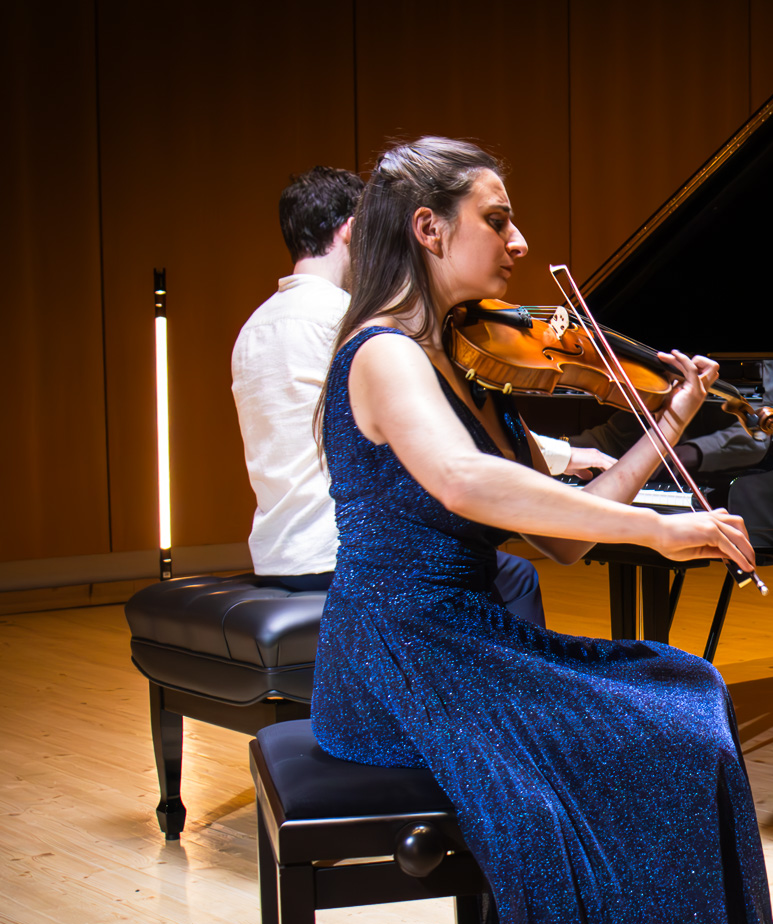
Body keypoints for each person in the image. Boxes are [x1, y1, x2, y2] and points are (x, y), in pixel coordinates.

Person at [310, 136, 773, 924]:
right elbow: (464, 484)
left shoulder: (459, 357)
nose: (520, 241)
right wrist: (665, 533)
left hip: (462, 635)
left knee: (685, 692)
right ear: (429, 228)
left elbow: (567, 534)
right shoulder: (385, 353)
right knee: (647, 745)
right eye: (497, 218)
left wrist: (664, 420)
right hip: (396, 652)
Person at [230, 166, 611, 617]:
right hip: (339, 553)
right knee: (506, 570)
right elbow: (444, 428)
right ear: (355, 232)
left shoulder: (253, 328)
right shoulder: (354, 326)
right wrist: (565, 457)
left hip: (277, 552)